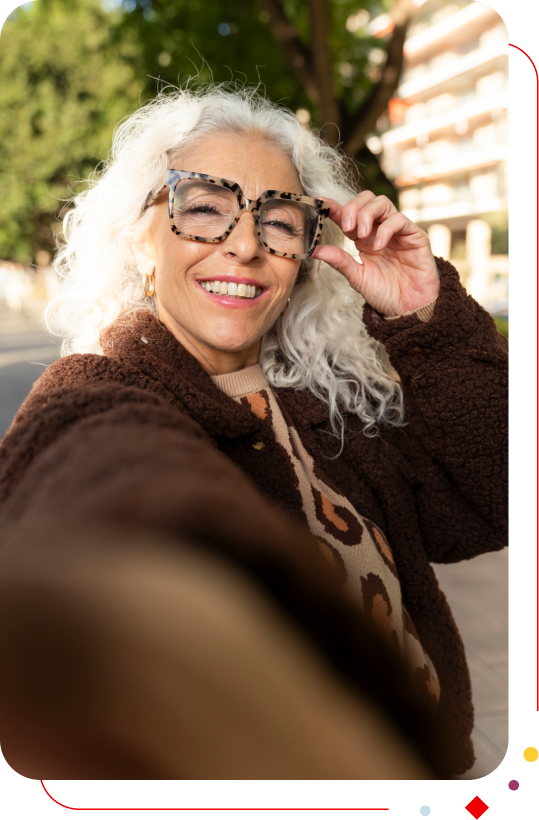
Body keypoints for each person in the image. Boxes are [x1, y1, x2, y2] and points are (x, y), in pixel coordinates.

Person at [0, 84, 508, 780]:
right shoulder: (96, 393)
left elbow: (493, 497)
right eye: (204, 208)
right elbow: (107, 496)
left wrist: (429, 322)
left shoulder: (325, 404)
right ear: (138, 239)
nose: (243, 245)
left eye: (277, 221)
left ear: (305, 254)